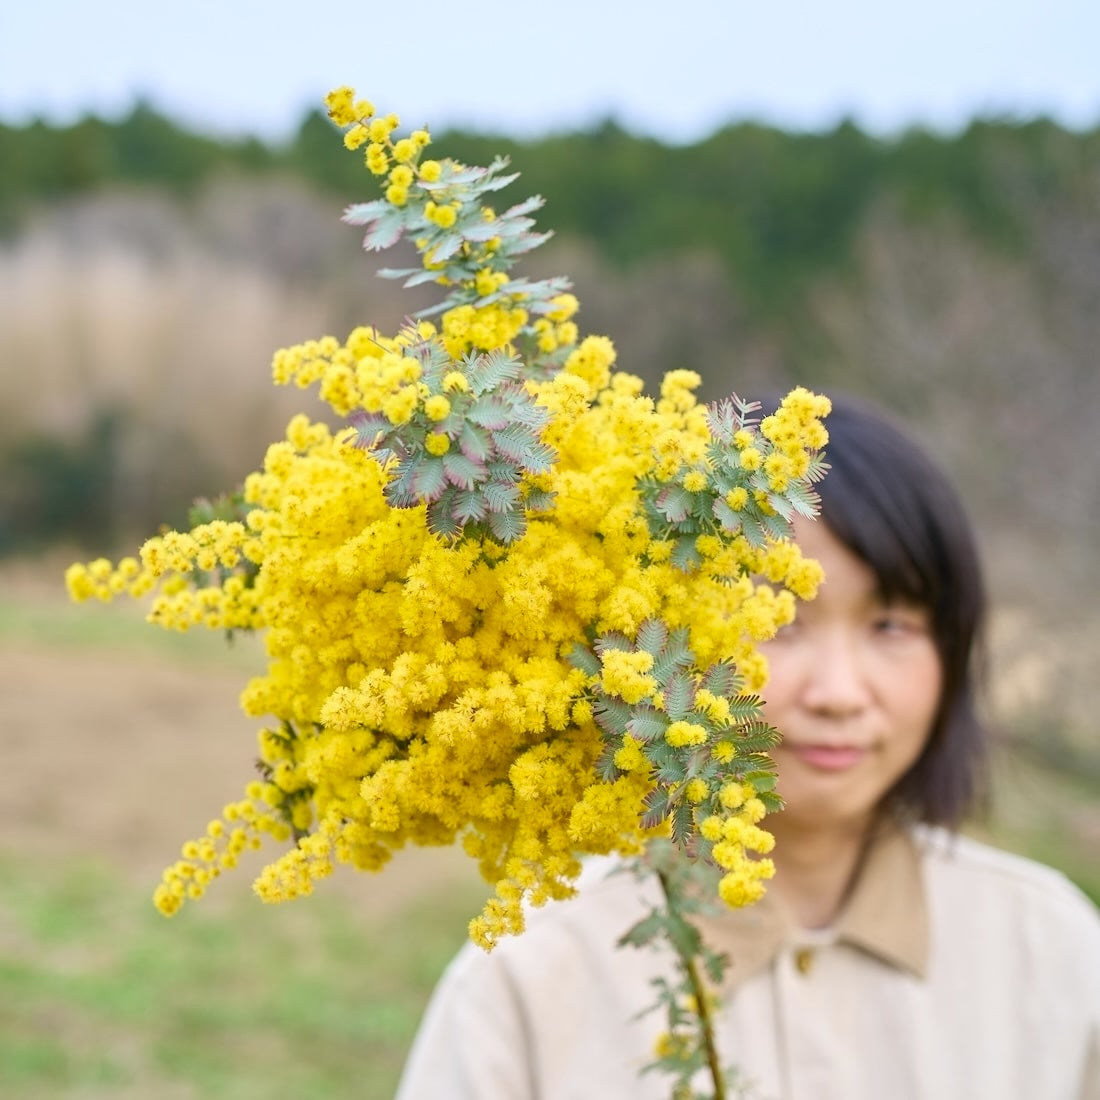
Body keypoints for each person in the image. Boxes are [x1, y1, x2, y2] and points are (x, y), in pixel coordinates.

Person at [395, 393, 1100, 1100]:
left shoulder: (1057, 955)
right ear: (658, 629)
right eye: (779, 619)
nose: (838, 693)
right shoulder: (532, 976)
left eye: (890, 625)